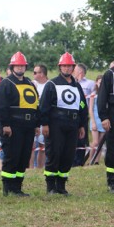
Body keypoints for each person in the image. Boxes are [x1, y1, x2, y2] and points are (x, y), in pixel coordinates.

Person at [38, 52, 88, 195]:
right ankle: (50, 186)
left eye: (69, 66)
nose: (67, 68)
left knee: (68, 155)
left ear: (73, 68)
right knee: (54, 153)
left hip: (72, 124)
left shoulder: (77, 86)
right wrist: (45, 124)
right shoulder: (52, 84)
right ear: (60, 67)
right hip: (55, 124)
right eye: (64, 66)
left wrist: (82, 125)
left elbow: (82, 106)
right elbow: (44, 106)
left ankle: (61, 186)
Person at [0, 52, 39, 197]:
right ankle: (8, 188)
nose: (20, 67)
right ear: (12, 66)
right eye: (17, 65)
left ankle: (18, 187)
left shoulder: (30, 83)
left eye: (22, 65)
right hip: (13, 126)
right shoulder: (6, 84)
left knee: (23, 156)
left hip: (28, 126)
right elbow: (2, 107)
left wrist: (36, 124)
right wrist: (5, 125)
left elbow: (35, 105)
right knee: (12, 156)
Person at [97, 61, 114, 192]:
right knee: (113, 149)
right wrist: (104, 117)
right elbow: (102, 97)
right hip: (113, 112)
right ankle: (112, 181)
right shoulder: (110, 74)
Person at [73, 63, 95, 167]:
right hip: (72, 114)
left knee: (82, 139)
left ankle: (79, 161)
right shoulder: (70, 83)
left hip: (83, 114)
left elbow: (85, 101)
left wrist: (81, 106)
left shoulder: (90, 84)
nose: (72, 71)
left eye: (74, 70)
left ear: (80, 72)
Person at [31, 64, 48, 169]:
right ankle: (29, 168)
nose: (33, 74)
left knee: (43, 146)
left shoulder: (49, 85)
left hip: (44, 119)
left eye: (35, 72)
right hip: (33, 119)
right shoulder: (32, 84)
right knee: (31, 145)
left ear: (42, 74)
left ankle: (40, 168)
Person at [88, 75, 105, 165]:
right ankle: (91, 159)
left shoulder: (105, 95)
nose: (101, 83)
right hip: (95, 120)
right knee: (95, 142)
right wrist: (93, 122)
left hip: (103, 120)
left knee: (101, 143)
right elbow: (90, 109)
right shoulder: (93, 95)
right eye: (99, 82)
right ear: (96, 83)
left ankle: (97, 161)